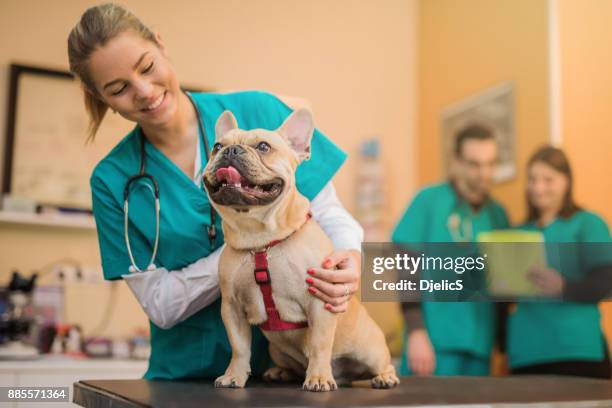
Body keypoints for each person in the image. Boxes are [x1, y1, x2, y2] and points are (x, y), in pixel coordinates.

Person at [67, 4, 364, 380]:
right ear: (101, 97)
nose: (144, 91)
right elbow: (161, 305)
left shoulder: (257, 110)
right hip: (186, 377)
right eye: (118, 88)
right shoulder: (113, 180)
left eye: (147, 67)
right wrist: (250, 247)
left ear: (161, 45)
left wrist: (349, 258)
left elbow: (329, 214)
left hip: (291, 368)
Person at [392, 124, 509, 376]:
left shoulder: (498, 215)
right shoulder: (429, 201)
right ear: (455, 162)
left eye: (490, 164)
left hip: (480, 348)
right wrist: (416, 332)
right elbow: (404, 264)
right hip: (432, 346)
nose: (484, 173)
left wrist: (502, 344)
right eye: (474, 164)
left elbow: (503, 286)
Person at [507, 146, 612, 379]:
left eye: (548, 179)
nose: (538, 187)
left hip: (577, 353)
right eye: (532, 179)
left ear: (566, 182)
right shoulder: (516, 232)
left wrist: (563, 288)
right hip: (526, 356)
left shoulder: (588, 224)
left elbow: (606, 282)